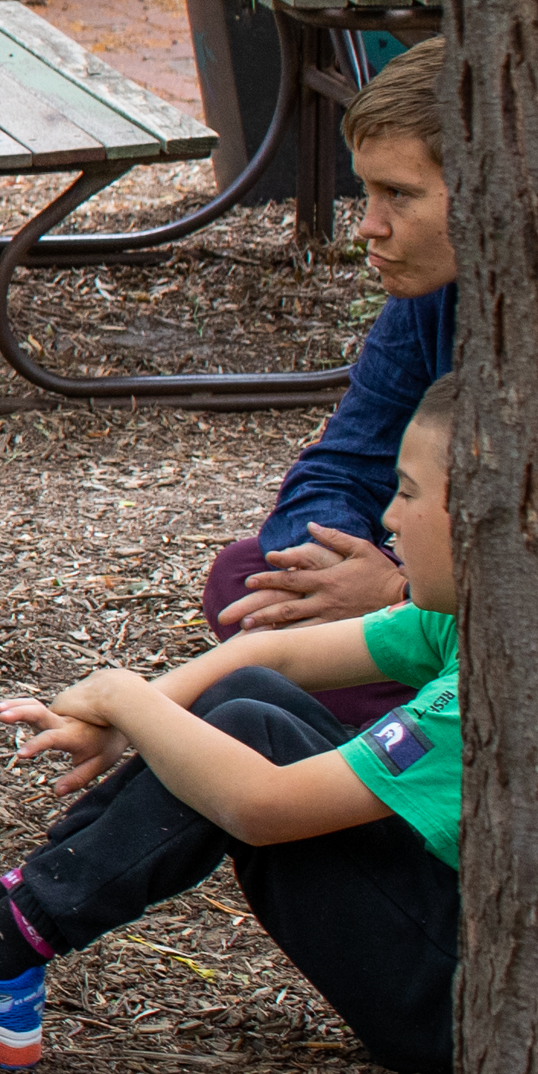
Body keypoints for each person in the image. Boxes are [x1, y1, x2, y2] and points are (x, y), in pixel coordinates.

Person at [0, 378, 469, 1074]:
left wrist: (124, 693)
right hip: (441, 950)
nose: (386, 517)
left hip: (449, 1008)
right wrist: (122, 721)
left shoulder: (481, 700)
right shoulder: (469, 618)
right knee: (249, 696)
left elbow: (265, 807)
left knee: (251, 738)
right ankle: (0, 909)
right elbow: (273, 652)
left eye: (409, 493)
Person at [196, 45, 455, 722]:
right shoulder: (428, 298)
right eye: (365, 190)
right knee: (247, 579)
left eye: (398, 193)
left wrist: (398, 594)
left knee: (260, 680)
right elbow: (341, 464)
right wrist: (330, 575)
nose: (367, 226)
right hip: (436, 609)